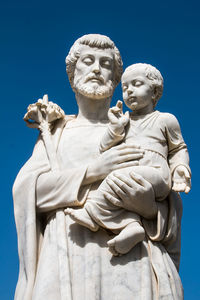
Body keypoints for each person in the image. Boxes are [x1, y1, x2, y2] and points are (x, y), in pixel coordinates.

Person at [13, 35, 184, 300]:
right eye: (88, 61)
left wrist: (149, 209)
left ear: (117, 79)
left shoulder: (134, 131)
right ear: (73, 74)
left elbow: (166, 193)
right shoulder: (57, 132)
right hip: (67, 250)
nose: (96, 68)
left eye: (106, 63)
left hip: (131, 260)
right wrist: (93, 170)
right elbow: (29, 194)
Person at [66, 63, 191, 257]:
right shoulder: (124, 121)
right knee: (117, 193)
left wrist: (181, 168)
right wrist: (115, 128)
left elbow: (178, 148)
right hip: (130, 172)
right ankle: (132, 226)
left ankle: (92, 213)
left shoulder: (165, 119)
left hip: (155, 172)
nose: (129, 91)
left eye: (137, 84)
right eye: (125, 88)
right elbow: (104, 148)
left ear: (154, 91)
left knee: (113, 181)